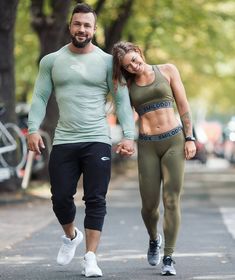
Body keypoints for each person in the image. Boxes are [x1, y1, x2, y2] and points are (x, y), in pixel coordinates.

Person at [27, 4, 135, 278]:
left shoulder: (107, 62)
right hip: (64, 139)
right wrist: (32, 129)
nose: (82, 29)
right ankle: (71, 235)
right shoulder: (51, 61)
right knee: (60, 197)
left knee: (95, 198)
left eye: (87, 25)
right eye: (78, 24)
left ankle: (90, 257)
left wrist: (128, 136)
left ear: (94, 29)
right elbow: (40, 97)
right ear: (70, 26)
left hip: (97, 139)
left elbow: (121, 100)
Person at [112, 41, 196, 276]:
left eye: (135, 60)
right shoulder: (126, 85)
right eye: (128, 66)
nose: (135, 66)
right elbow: (124, 114)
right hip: (147, 145)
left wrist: (190, 137)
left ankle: (169, 256)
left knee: (171, 200)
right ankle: (153, 238)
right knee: (149, 206)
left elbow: (183, 104)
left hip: (174, 141)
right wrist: (128, 139)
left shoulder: (167, 70)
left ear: (139, 52)